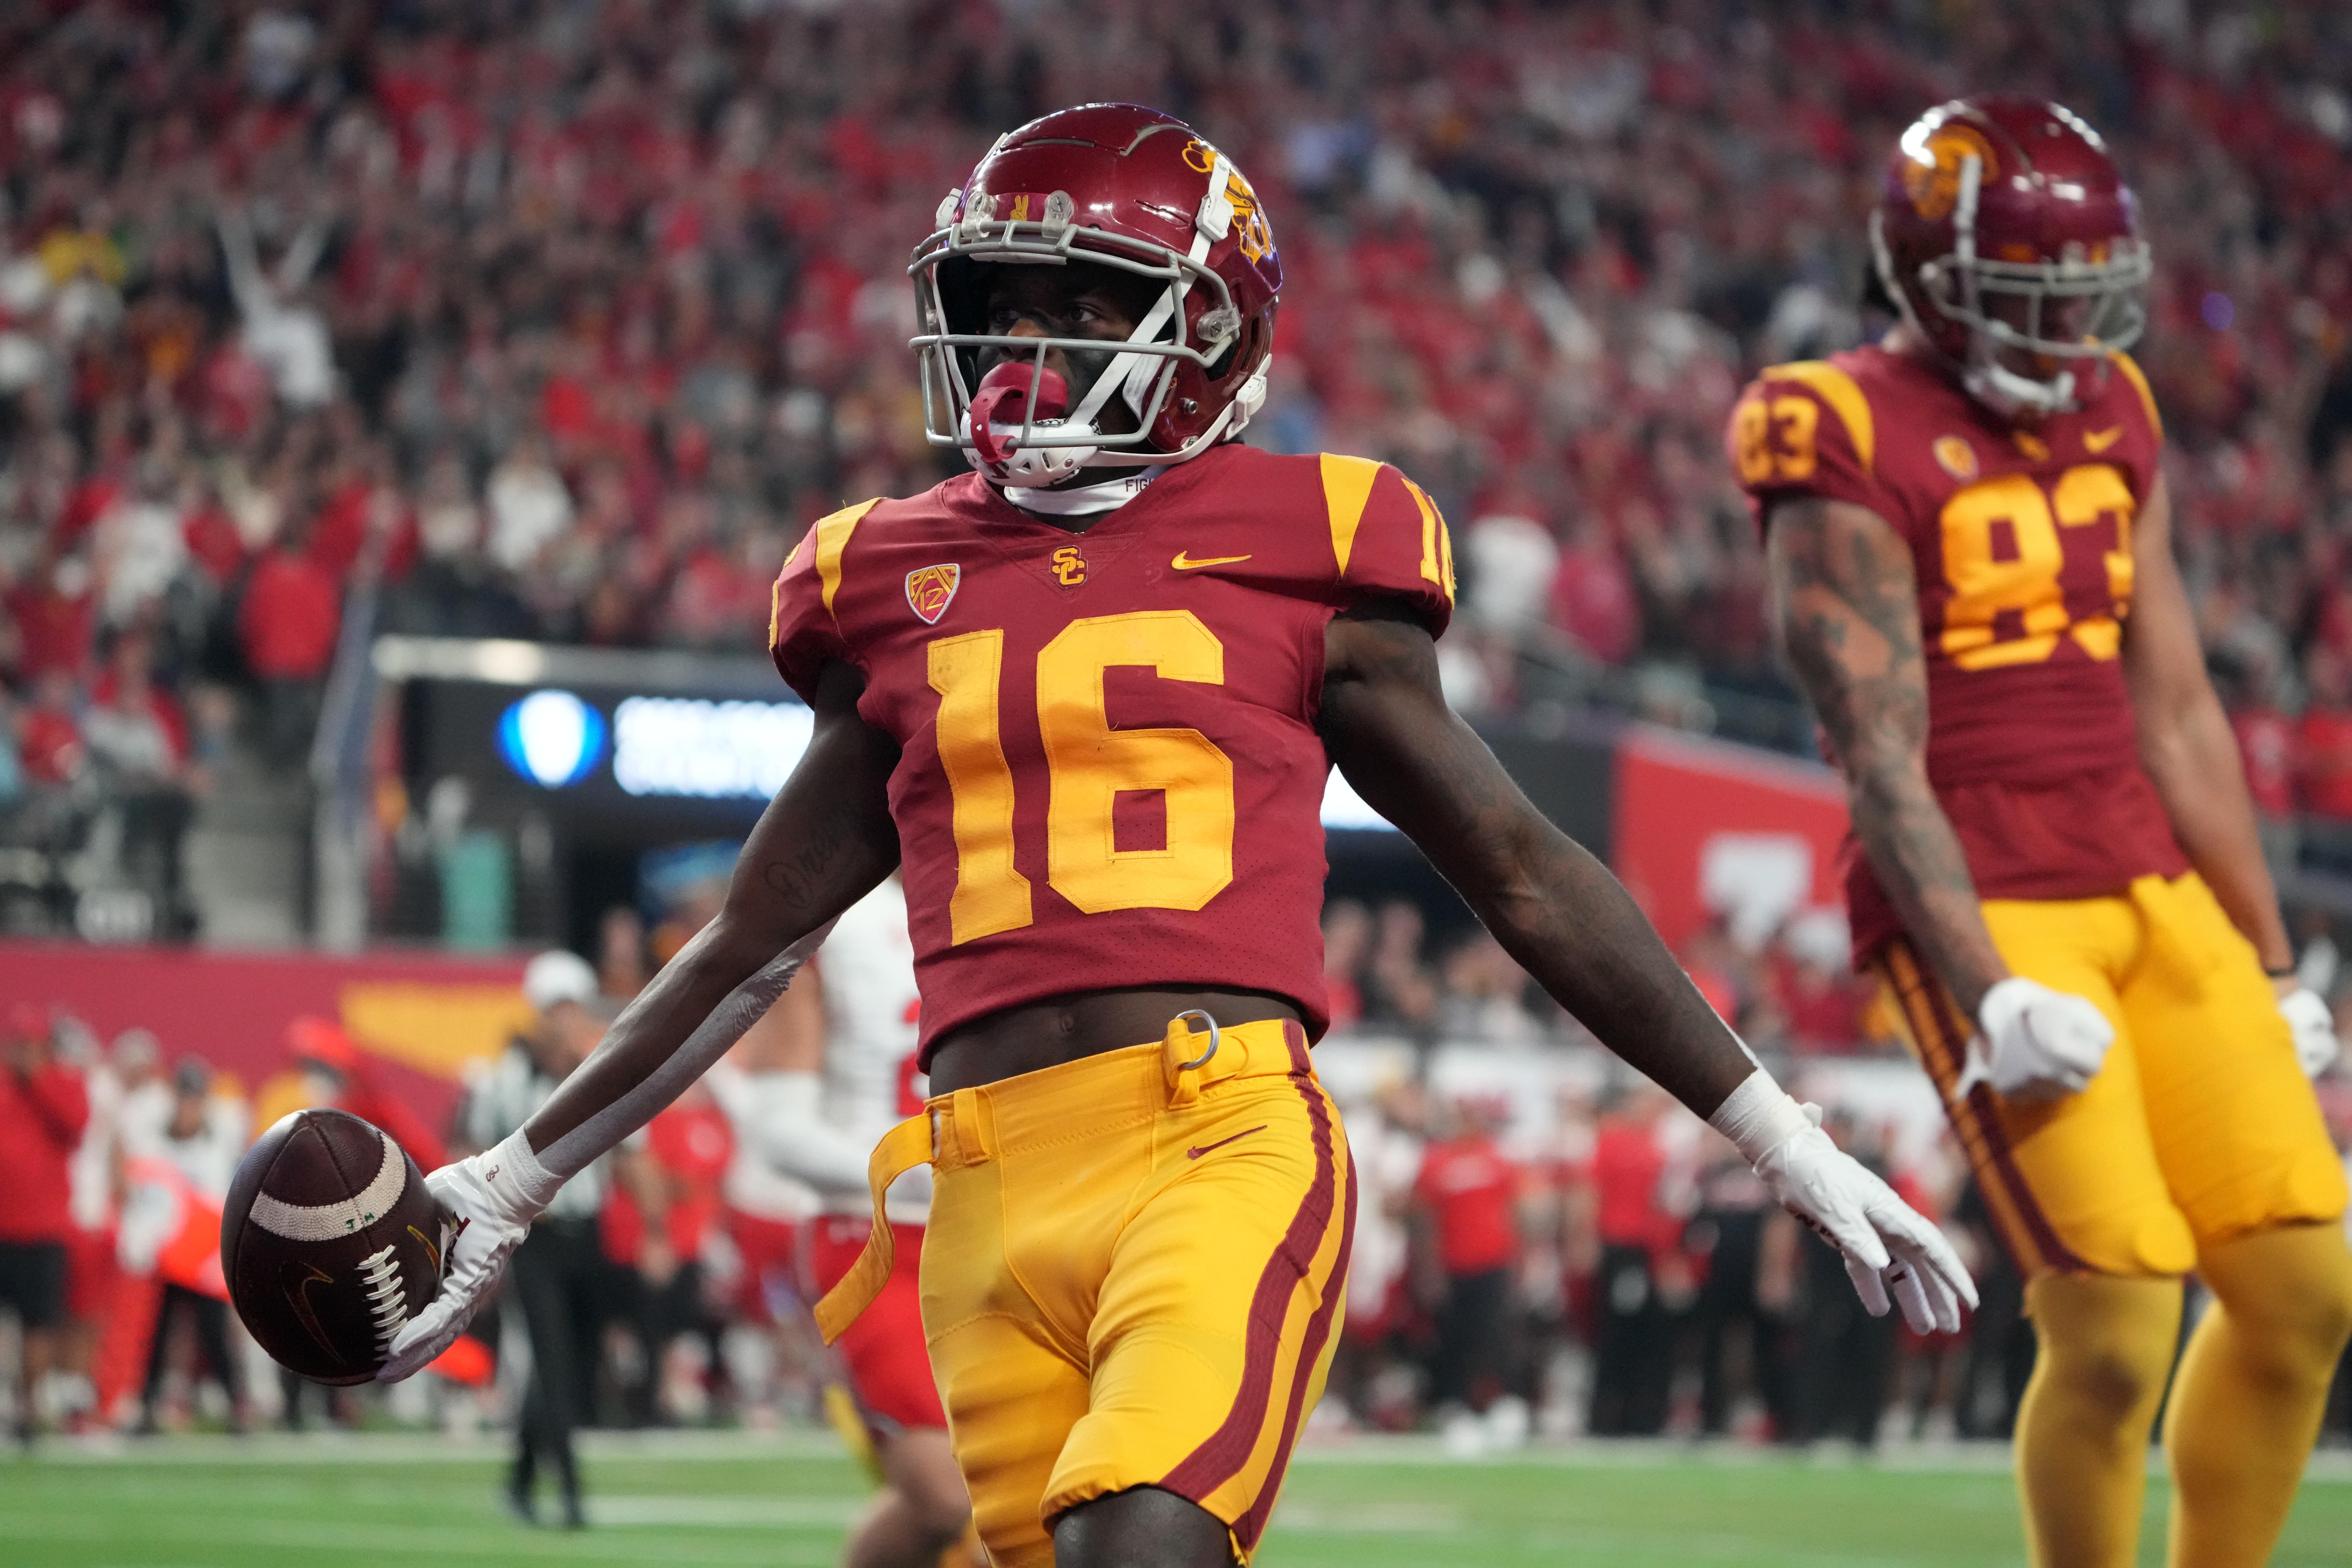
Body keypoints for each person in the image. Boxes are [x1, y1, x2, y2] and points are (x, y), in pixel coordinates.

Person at [388, 105, 1972, 1568]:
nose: (1031, 346)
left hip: (1213, 1141)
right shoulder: (882, 576)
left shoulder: (1308, 544)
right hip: (984, 1191)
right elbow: (750, 942)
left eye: (1089, 307)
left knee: (1141, 1543)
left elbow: (1518, 866)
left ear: (1210, 330)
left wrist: (1780, 1135)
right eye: (1009, 304)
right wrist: (517, 1175)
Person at [1733, 95, 2352, 1568]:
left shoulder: (2116, 407)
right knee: (2122, 1314)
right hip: (1990, 895)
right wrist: (1987, 980)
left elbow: (2182, 707)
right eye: (2032, 297)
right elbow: (1881, 748)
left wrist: (2271, 958)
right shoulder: (1831, 418)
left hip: (2149, 877)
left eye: (2087, 294)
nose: (2071, 331)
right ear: (1929, 282)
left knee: (2306, 1288)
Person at [735, 873, 979, 1568]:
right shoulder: (832, 919)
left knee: (1027, 1507)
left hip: (1000, 1232)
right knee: (943, 1497)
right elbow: (780, 1131)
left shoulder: (1017, 889)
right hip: (872, 1239)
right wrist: (925, 1170)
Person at [461, 950, 610, 1527]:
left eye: (574, 1010)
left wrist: (649, 1226)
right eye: (558, 1011)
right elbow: (477, 1157)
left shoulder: (601, 1068)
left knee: (571, 1361)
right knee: (552, 1359)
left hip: (587, 1232)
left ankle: (521, 1481)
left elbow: (630, 1148)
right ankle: (571, 1493)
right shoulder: (503, 1081)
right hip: (535, 1237)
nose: (567, 1022)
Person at [0, 1004, 90, 1445]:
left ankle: (28, 1410)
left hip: (43, 1230)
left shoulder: (61, 1083)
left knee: (39, 1327)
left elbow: (77, 1125)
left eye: (31, 1045)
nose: (22, 1053)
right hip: (3, 1228)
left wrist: (39, 1078)